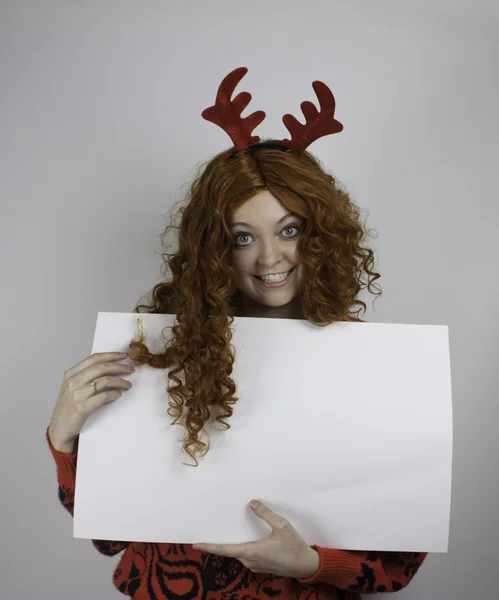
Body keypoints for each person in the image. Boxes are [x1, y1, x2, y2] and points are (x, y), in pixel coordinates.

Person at [46, 67, 427, 599]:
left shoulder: (370, 363)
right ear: (214, 247)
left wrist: (312, 563)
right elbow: (110, 537)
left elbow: (401, 557)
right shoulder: (160, 355)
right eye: (242, 236)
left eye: (289, 230)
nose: (269, 258)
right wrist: (64, 441)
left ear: (320, 234)